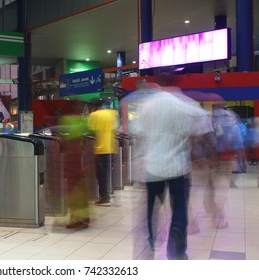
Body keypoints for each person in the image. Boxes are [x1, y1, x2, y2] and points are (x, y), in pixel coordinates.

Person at [133, 83, 211, 260]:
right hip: (178, 168)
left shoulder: (148, 105)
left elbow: (138, 134)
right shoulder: (186, 105)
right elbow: (201, 132)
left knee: (152, 209)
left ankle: (150, 242)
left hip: (153, 168)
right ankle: (176, 249)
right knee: (179, 209)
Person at [58, 107, 90, 229]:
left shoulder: (69, 123)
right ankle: (83, 217)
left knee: (74, 191)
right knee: (80, 191)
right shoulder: (80, 124)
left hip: (74, 163)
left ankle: (76, 219)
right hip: (78, 162)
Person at [87, 101, 118, 206]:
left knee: (101, 175)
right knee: (106, 173)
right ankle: (106, 195)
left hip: (100, 148)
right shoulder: (112, 113)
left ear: (95, 107)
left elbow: (90, 130)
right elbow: (116, 128)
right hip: (110, 147)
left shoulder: (94, 115)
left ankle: (104, 197)